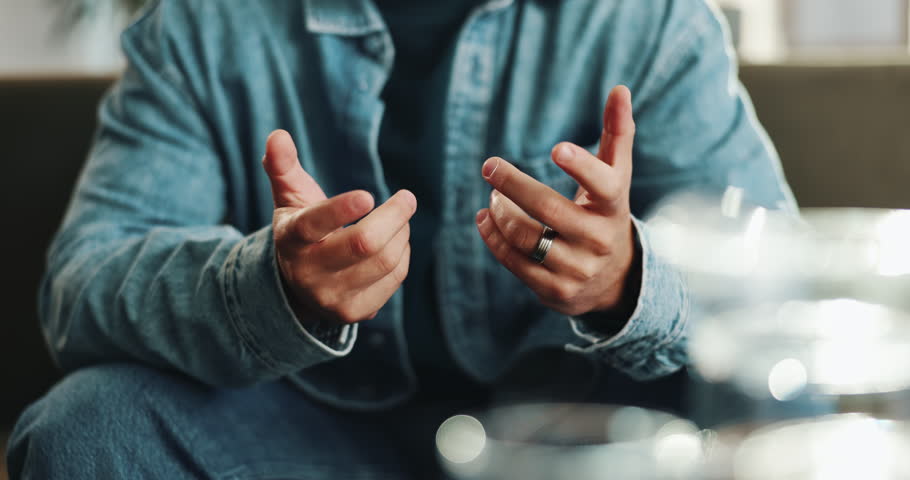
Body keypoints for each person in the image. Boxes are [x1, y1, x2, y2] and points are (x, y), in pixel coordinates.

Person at [7, 0, 796, 478]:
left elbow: (781, 289)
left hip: (579, 445)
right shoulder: (204, 26)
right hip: (302, 440)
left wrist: (629, 281)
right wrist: (268, 287)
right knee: (89, 428)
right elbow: (82, 285)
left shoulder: (647, 20)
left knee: (787, 406)